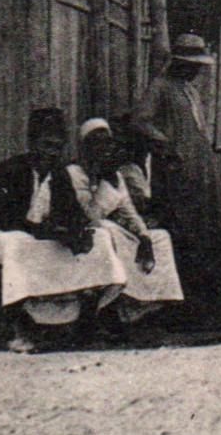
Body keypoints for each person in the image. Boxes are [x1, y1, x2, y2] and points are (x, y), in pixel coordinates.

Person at [0, 108, 125, 352]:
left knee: (101, 239)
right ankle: (19, 328)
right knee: (18, 244)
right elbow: (3, 217)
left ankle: (85, 322)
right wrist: (46, 230)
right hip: (3, 234)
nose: (51, 152)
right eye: (46, 145)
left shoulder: (61, 174)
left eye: (57, 146)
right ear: (32, 143)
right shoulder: (11, 169)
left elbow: (73, 212)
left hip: (44, 237)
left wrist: (77, 232)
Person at [133, 33, 221, 319]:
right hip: (175, 171)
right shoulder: (161, 87)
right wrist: (166, 146)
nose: (197, 70)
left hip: (199, 170)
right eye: (192, 64)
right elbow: (141, 121)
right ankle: (175, 305)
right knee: (179, 230)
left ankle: (198, 302)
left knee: (203, 231)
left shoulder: (190, 91)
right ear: (180, 63)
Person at [70, 119, 184, 325]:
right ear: (86, 148)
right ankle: (108, 310)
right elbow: (90, 218)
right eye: (97, 144)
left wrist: (144, 237)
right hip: (84, 233)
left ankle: (147, 309)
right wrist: (102, 182)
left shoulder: (115, 176)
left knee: (160, 237)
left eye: (108, 143)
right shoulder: (75, 173)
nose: (104, 149)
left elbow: (129, 211)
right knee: (107, 231)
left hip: (114, 229)